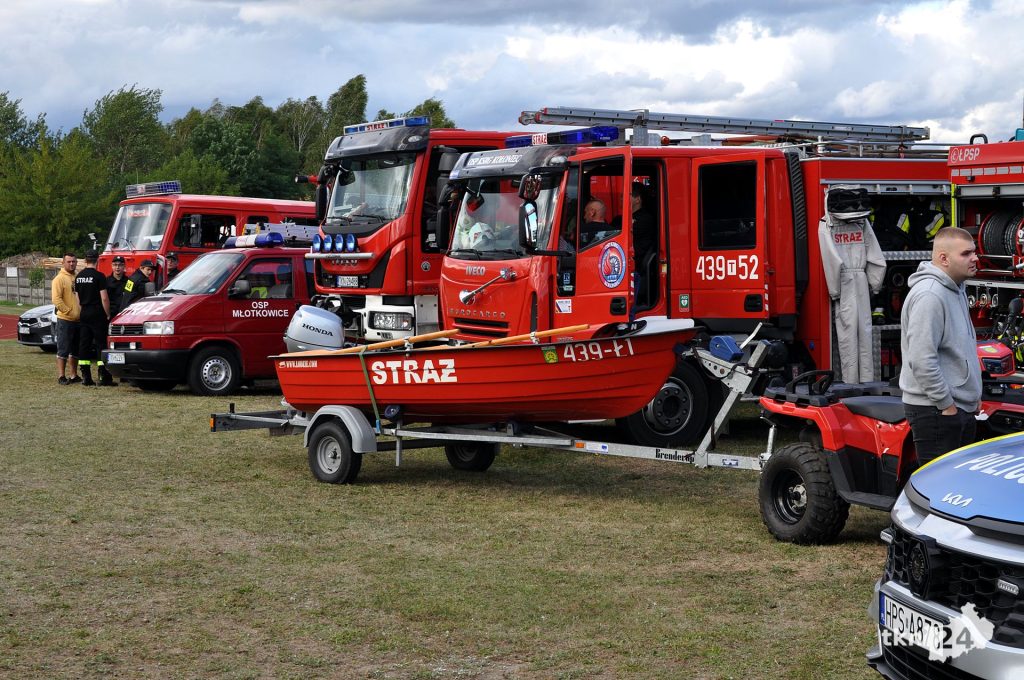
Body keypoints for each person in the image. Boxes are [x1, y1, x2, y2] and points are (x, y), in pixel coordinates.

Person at [899, 226, 982, 465]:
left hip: (954, 408)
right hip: (936, 410)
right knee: (939, 485)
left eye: (974, 251)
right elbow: (921, 359)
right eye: (966, 254)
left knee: (958, 482)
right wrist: (946, 405)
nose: (975, 258)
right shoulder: (930, 295)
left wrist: (972, 395)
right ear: (944, 259)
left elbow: (959, 349)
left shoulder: (956, 288)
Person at [818, 185, 886, 383]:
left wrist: (835, 290)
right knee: (865, 331)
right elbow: (875, 255)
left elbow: (830, 259)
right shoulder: (862, 222)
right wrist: (875, 284)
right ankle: (867, 381)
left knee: (847, 334)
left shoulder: (827, 224)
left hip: (844, 282)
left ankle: (851, 383)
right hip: (861, 279)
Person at [75, 250, 113, 386]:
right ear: (97, 260)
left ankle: (86, 377)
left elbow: (78, 299)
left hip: (84, 312)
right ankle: (104, 376)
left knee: (84, 344)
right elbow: (104, 298)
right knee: (100, 344)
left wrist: (83, 312)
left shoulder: (79, 276)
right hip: (97, 312)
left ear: (85, 260)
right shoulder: (99, 276)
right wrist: (107, 313)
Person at [51, 252, 81, 385]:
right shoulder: (59, 279)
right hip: (65, 319)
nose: (72, 264)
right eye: (69, 262)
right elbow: (56, 299)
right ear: (63, 263)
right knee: (63, 348)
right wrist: (68, 311)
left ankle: (74, 375)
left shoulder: (78, 277)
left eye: (74, 261)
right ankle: (61, 376)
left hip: (78, 320)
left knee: (75, 349)